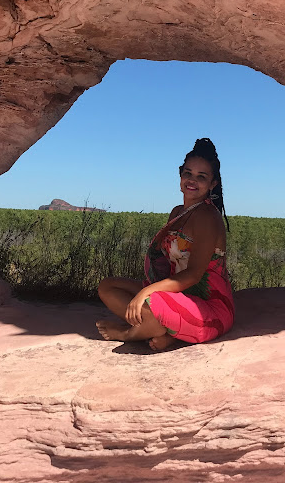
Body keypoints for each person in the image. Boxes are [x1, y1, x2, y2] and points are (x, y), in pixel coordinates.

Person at [96, 138, 235, 351]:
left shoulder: (208, 217)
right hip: (174, 297)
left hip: (207, 308)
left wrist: (146, 293)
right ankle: (167, 331)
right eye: (187, 173)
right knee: (108, 286)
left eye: (201, 177)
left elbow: (193, 275)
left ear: (212, 184)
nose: (192, 180)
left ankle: (128, 333)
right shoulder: (177, 212)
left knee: (150, 304)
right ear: (180, 175)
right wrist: (149, 292)